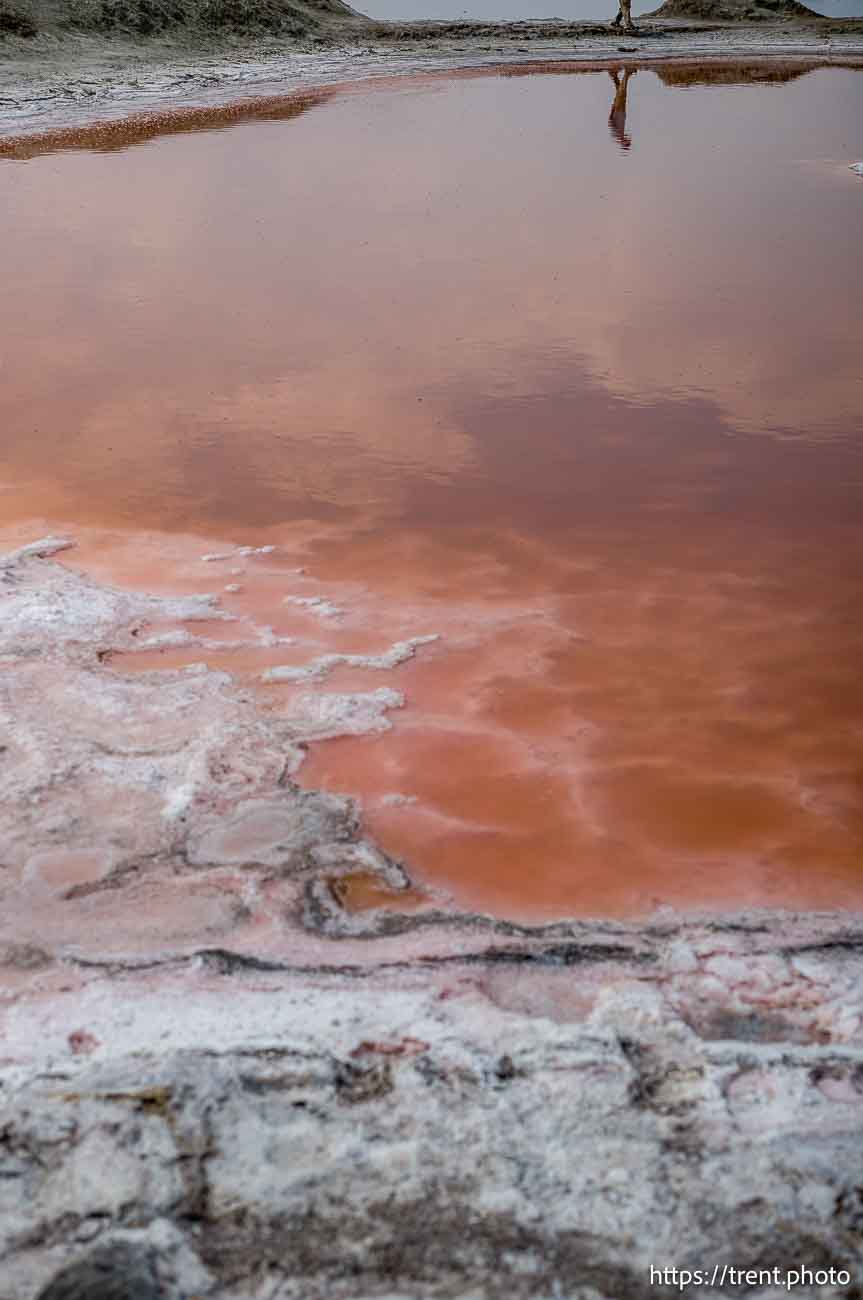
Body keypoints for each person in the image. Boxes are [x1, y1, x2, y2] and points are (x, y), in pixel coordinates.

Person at [608, 66, 636, 151]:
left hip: (618, 110)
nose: (628, 138)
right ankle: (615, 75)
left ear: (624, 142)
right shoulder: (619, 135)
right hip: (620, 111)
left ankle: (626, 74)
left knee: (622, 92)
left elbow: (610, 122)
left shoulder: (618, 135)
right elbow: (610, 122)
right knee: (620, 91)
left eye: (627, 141)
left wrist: (614, 109)